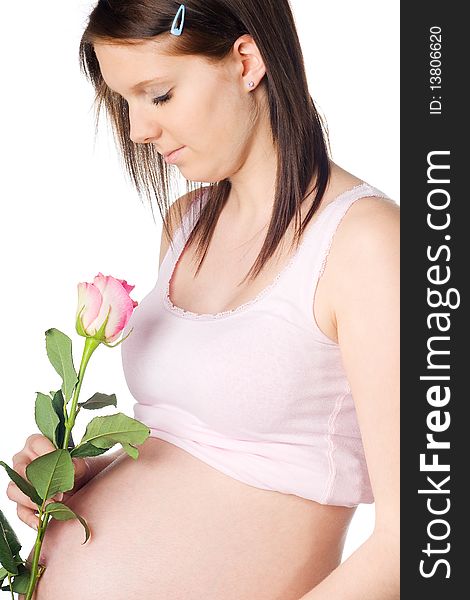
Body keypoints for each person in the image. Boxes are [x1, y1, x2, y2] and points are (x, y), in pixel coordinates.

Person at [9, 1, 399, 598]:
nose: (139, 129)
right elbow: (186, 445)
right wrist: (84, 477)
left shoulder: (365, 244)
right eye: (125, 101)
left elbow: (419, 540)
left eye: (158, 94)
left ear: (246, 61)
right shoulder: (185, 224)